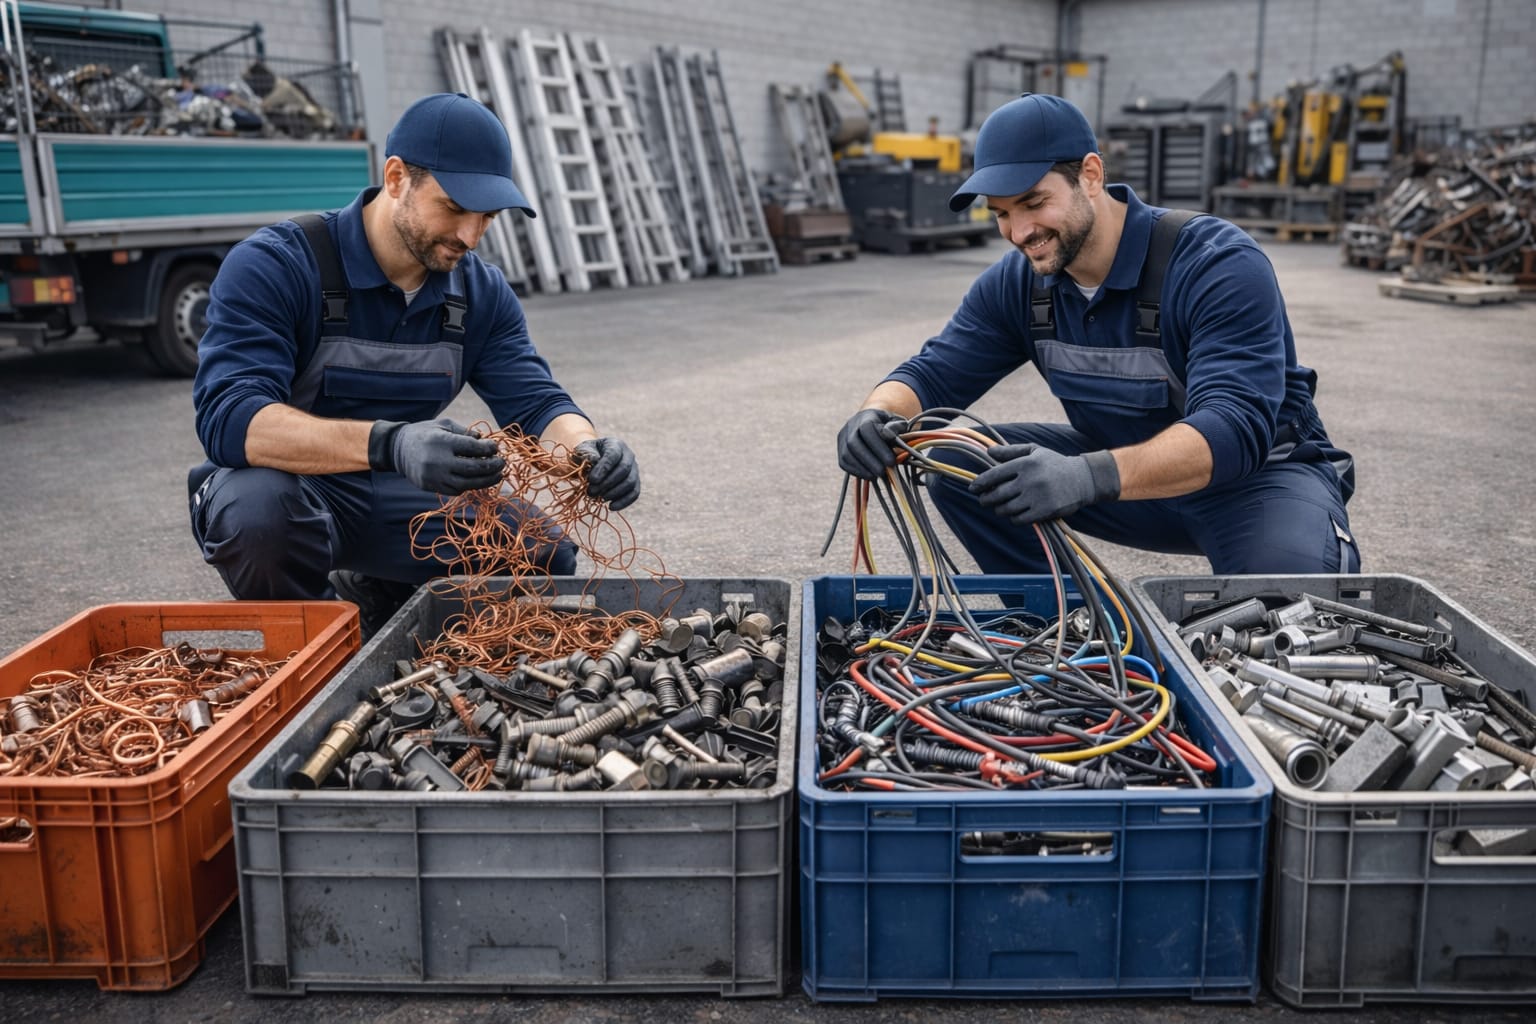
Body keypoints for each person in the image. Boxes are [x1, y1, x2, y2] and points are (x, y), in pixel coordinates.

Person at [837, 93, 1359, 576]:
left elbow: (1232, 429)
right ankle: (1072, 632)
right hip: (1125, 477)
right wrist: (876, 414)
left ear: (1090, 174)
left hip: (1257, 485)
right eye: (1001, 214)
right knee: (955, 460)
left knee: (1288, 613)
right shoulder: (1023, 283)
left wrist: (1085, 477)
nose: (1019, 233)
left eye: (1034, 203)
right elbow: (933, 373)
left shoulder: (1214, 263)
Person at [190, 92, 641, 634]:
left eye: (487, 218)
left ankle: (381, 587)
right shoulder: (278, 265)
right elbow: (231, 418)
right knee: (256, 516)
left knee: (545, 558)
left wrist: (587, 451)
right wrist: (390, 443)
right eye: (454, 209)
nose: (470, 237)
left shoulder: (478, 294)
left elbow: (537, 404)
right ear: (397, 177)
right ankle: (323, 646)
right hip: (294, 489)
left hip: (402, 497)